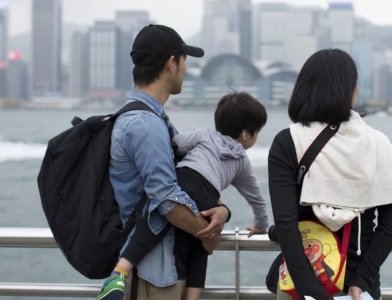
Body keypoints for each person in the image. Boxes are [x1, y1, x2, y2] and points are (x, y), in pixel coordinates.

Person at [97, 25, 231, 300]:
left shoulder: (150, 119)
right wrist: (209, 234)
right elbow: (167, 202)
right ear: (172, 63)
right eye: (184, 61)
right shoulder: (146, 125)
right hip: (153, 276)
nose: (185, 69)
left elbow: (183, 182)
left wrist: (221, 210)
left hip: (164, 266)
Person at [268, 49, 392, 300]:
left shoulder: (287, 142)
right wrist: (361, 279)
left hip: (300, 285)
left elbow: (286, 226)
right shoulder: (381, 145)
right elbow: (391, 226)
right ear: (349, 90)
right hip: (359, 289)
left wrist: (311, 290)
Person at [122, 92, 271, 300]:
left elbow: (175, 144)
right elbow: (256, 197)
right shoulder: (242, 162)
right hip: (208, 196)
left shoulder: (205, 135)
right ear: (246, 134)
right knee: (200, 246)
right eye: (257, 132)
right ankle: (192, 297)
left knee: (152, 221)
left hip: (184, 179)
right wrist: (261, 224)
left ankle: (122, 268)